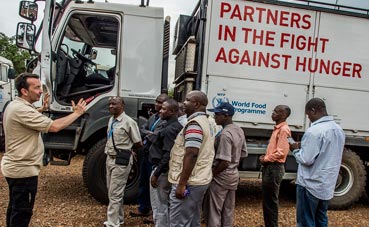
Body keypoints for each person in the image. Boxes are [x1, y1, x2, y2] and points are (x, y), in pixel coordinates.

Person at [1, 73, 87, 227]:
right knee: (22, 213)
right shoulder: (23, 110)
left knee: (15, 208)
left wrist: (43, 108)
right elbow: (54, 127)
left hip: (15, 168)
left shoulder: (15, 105)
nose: (41, 91)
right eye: (37, 88)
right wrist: (77, 113)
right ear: (24, 91)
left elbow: (28, 117)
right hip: (23, 171)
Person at [290, 98, 345, 227]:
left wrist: (295, 150)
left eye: (308, 115)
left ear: (313, 110)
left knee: (306, 222)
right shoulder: (338, 129)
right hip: (327, 184)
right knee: (321, 219)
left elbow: (306, 159)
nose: (308, 118)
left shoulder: (314, 131)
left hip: (310, 184)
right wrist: (304, 146)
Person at [168, 90, 215, 227]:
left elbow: (192, 153)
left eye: (187, 100)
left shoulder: (195, 124)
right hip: (200, 179)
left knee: (179, 223)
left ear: (196, 104)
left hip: (190, 182)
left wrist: (182, 184)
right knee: (193, 219)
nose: (183, 103)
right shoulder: (207, 121)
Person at [204, 102, 247, 227]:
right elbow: (243, 154)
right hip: (233, 175)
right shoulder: (238, 130)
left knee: (213, 211)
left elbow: (224, 162)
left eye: (217, 114)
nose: (214, 116)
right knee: (228, 210)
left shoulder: (225, 134)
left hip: (221, 177)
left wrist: (211, 175)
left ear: (226, 116)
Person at [103, 96, 143, 227]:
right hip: (110, 159)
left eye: (114, 104)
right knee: (112, 191)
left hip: (121, 161)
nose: (111, 106)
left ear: (122, 106)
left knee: (115, 193)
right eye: (109, 104)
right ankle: (119, 218)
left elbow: (138, 143)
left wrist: (131, 153)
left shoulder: (129, 122)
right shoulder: (111, 120)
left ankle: (112, 223)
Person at [130, 93, 169, 218]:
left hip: (156, 155)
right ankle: (143, 208)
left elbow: (156, 136)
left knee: (154, 184)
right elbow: (142, 129)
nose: (157, 104)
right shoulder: (153, 117)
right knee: (143, 181)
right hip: (147, 153)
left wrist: (150, 134)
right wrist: (150, 133)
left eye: (160, 103)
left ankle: (154, 212)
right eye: (156, 102)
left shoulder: (166, 120)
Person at [149, 99, 183, 226]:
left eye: (164, 109)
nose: (160, 111)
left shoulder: (171, 129)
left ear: (173, 111)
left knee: (159, 206)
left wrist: (156, 173)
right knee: (167, 204)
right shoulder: (172, 126)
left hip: (162, 171)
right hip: (167, 170)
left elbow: (168, 154)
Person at [259, 105, 291, 227]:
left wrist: (265, 159)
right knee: (267, 200)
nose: (273, 113)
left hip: (274, 168)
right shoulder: (278, 129)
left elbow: (281, 152)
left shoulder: (284, 130)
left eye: (276, 112)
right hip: (271, 167)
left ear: (283, 115)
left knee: (271, 201)